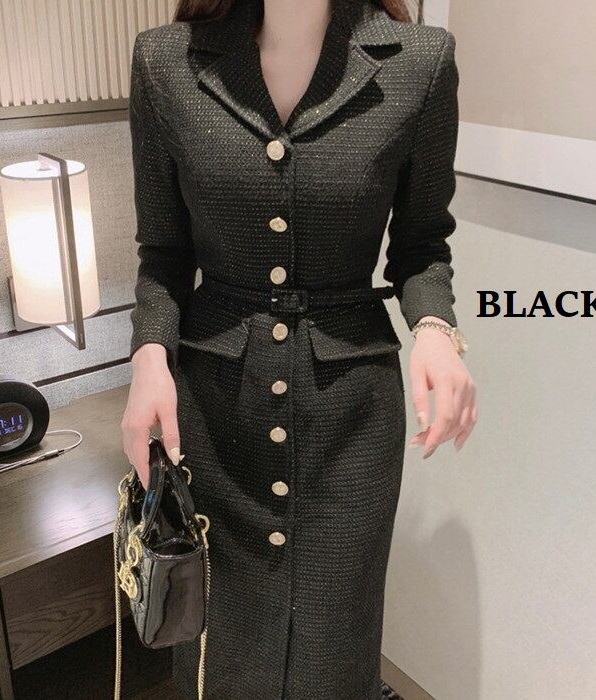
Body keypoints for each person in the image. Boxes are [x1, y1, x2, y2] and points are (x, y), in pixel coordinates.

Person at [120, 0, 478, 698]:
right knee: (218, 646)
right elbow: (162, 254)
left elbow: (422, 246)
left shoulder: (421, 63)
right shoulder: (165, 62)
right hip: (214, 416)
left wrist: (437, 330)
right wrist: (148, 359)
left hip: (351, 422)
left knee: (334, 648)